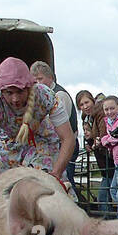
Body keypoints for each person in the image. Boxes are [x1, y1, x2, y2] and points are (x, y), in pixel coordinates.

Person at [0, 56, 73, 184]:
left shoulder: (46, 96)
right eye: (9, 93)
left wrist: (56, 174)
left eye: (20, 92)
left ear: (29, 87)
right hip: (6, 145)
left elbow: (68, 138)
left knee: (48, 186)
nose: (15, 99)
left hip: (40, 141)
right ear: (1, 90)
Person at [30, 61, 79, 190]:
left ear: (51, 77)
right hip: (55, 145)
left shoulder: (58, 95)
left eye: (40, 79)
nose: (38, 83)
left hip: (64, 144)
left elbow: (55, 127)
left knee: (65, 179)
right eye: (35, 80)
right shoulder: (43, 96)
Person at [97, 95, 118, 215]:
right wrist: (109, 139)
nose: (109, 112)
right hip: (117, 162)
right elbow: (111, 137)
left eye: (112, 108)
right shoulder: (109, 122)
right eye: (106, 109)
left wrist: (108, 140)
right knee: (113, 191)